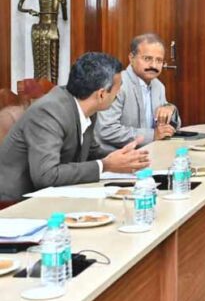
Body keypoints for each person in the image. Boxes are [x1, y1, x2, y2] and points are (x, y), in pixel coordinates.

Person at [0, 52, 151, 201]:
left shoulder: (88, 107)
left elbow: (91, 152)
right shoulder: (49, 112)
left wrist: (125, 158)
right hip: (14, 203)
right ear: (101, 94)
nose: (118, 95)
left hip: (52, 196)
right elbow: (46, 176)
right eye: (118, 89)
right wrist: (105, 165)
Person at [95, 33, 180, 151]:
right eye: (147, 59)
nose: (154, 65)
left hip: (150, 152)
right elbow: (106, 129)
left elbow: (172, 126)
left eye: (159, 60)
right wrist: (152, 135)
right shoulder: (118, 84)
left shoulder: (159, 86)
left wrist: (170, 109)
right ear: (131, 58)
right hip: (117, 155)